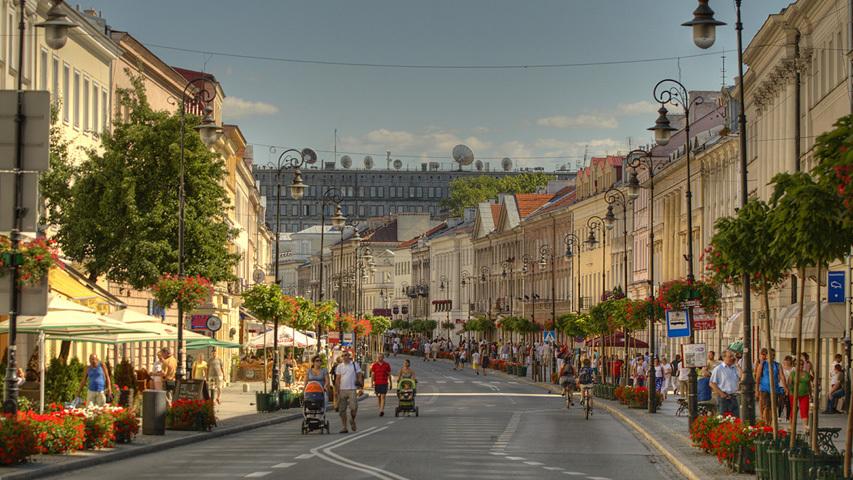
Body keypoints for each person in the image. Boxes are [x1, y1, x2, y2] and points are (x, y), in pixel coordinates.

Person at [755, 348, 787, 424]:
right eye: (770, 355)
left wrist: (785, 387)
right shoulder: (763, 364)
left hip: (775, 389)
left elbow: (782, 376)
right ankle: (765, 422)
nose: (772, 356)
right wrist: (756, 390)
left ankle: (770, 422)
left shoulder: (777, 365)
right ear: (767, 356)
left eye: (773, 355)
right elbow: (758, 377)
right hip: (764, 389)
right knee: (766, 406)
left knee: (773, 407)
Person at [334, 351, 362, 433]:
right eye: (343, 356)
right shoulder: (339, 366)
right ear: (342, 357)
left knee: (354, 408)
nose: (345, 357)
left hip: (352, 389)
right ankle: (344, 427)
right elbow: (337, 379)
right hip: (342, 390)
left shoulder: (354, 364)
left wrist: (360, 386)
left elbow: (359, 375)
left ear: (349, 356)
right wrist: (336, 390)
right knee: (342, 410)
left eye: (347, 355)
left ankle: (352, 419)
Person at [710, 350, 740, 417]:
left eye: (733, 356)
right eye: (730, 356)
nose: (732, 358)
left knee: (736, 419)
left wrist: (737, 365)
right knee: (723, 419)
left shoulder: (734, 368)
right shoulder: (718, 369)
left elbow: (742, 377)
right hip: (724, 398)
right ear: (724, 358)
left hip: (734, 397)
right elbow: (712, 383)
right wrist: (722, 394)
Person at [788, 358, 812, 429]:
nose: (800, 366)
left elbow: (809, 384)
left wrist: (811, 394)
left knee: (804, 409)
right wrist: (790, 391)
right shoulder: (793, 374)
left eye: (802, 364)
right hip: (794, 394)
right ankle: (792, 426)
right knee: (794, 409)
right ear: (795, 366)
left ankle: (805, 427)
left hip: (805, 394)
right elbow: (789, 384)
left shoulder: (807, 374)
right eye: (798, 364)